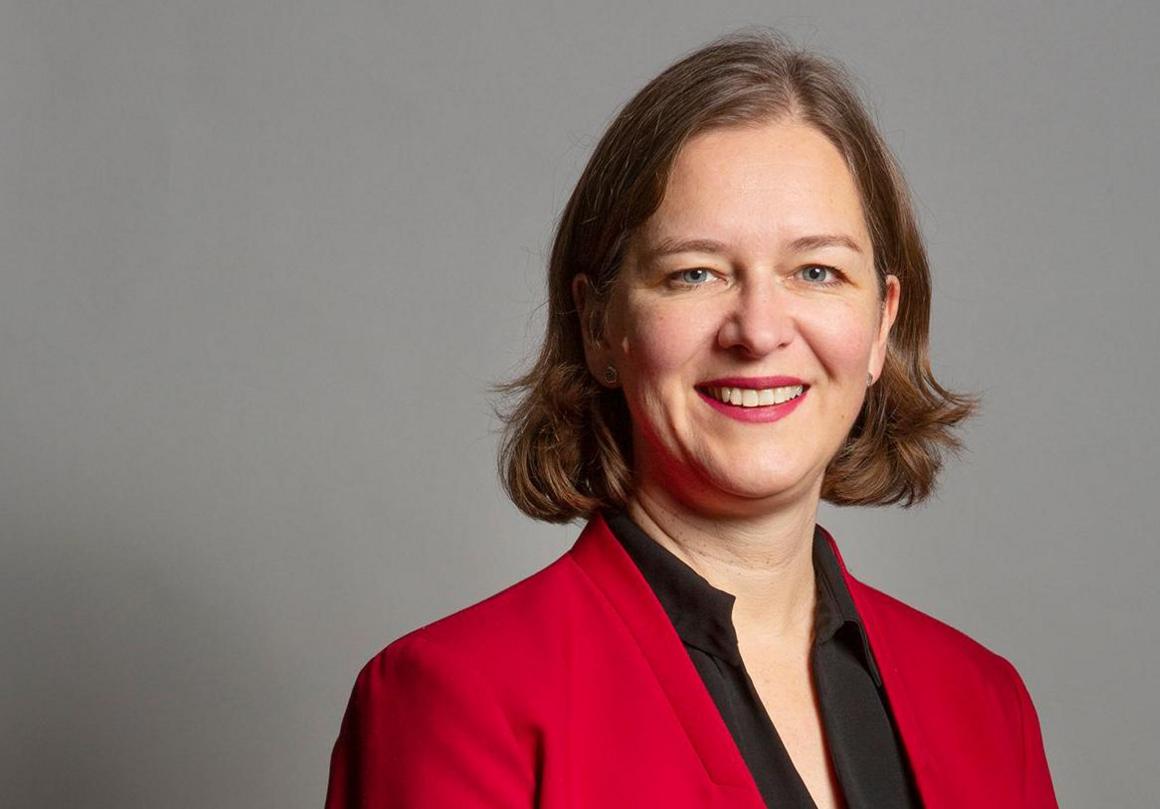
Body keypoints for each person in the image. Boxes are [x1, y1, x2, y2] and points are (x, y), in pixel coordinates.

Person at [324, 29, 1059, 809]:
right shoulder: (457, 699)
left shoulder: (986, 702)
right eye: (695, 273)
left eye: (816, 270)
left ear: (881, 326)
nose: (759, 329)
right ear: (600, 325)